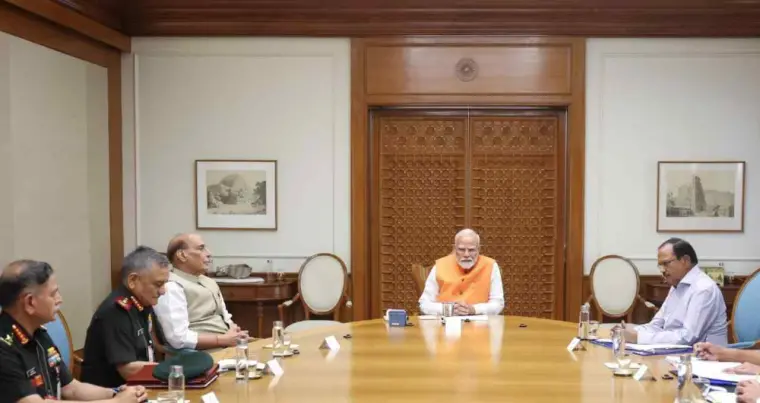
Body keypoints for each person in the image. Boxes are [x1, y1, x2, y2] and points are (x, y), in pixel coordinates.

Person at [0, 259, 147, 403]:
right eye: (53, 294)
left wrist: (117, 393)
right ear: (29, 302)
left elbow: (71, 388)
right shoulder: (4, 348)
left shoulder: (38, 334)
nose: (60, 299)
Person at [81, 246, 170, 388]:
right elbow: (128, 370)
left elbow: (157, 345)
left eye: (164, 284)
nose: (163, 291)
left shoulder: (143, 301)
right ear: (133, 280)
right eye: (158, 284)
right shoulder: (116, 311)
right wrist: (174, 370)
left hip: (141, 386)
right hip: (111, 392)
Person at [618, 238, 727, 345]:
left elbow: (687, 337)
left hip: (704, 354)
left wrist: (638, 337)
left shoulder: (703, 289)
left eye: (666, 263)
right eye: (660, 265)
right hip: (679, 352)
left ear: (685, 260)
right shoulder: (676, 285)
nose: (662, 270)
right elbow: (656, 325)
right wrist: (631, 330)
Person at [153, 233, 248, 351]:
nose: (209, 253)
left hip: (229, 346)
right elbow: (178, 338)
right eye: (201, 248)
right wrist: (221, 340)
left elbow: (225, 317)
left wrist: (234, 331)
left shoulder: (209, 282)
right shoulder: (171, 286)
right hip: (201, 354)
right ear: (182, 255)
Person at [418, 229, 505, 316]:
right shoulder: (440, 265)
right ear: (455, 248)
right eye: (461, 249)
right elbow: (424, 303)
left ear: (478, 249)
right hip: (445, 322)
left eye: (471, 250)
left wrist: (474, 309)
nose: (466, 254)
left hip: (480, 322)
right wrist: (450, 309)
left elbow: (498, 303)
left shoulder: (491, 266)